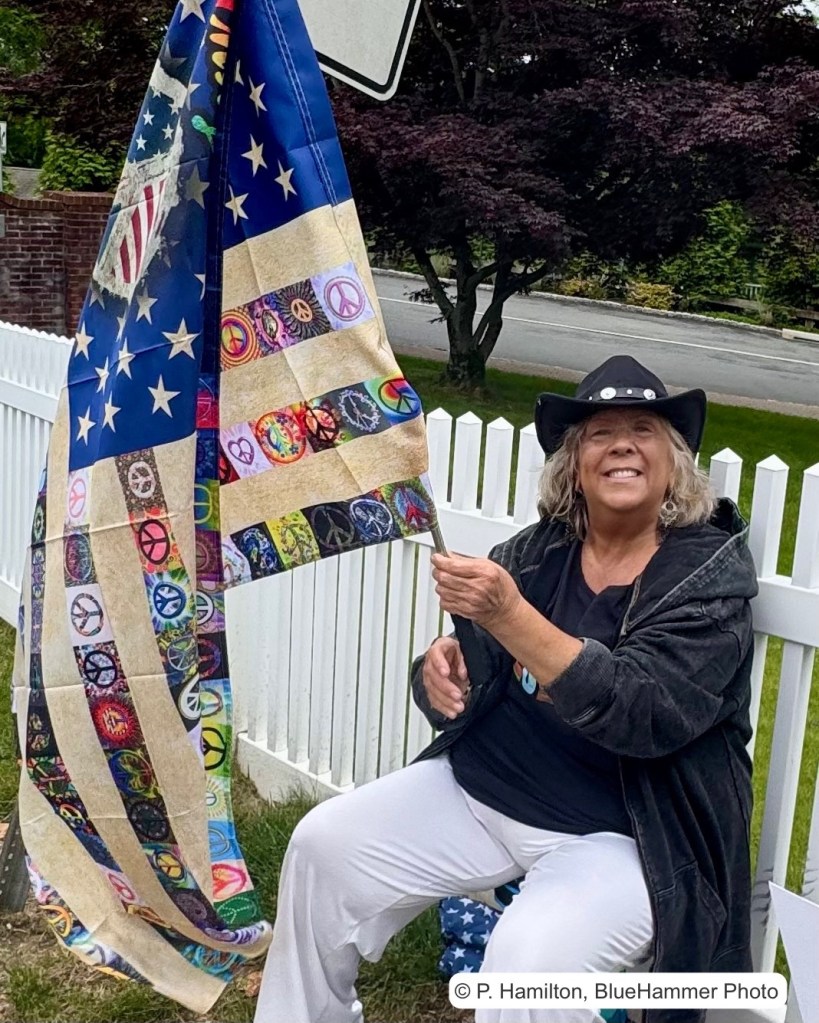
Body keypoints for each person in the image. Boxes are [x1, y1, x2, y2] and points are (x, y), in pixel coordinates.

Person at [253, 355, 758, 1023]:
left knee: (527, 973)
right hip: (482, 791)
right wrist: (436, 673)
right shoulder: (539, 549)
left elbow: (641, 711)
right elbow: (477, 663)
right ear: (574, 465)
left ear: (674, 463)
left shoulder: (707, 580)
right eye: (600, 433)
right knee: (323, 845)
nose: (622, 446)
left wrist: (509, 614)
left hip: (623, 836)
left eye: (644, 429)